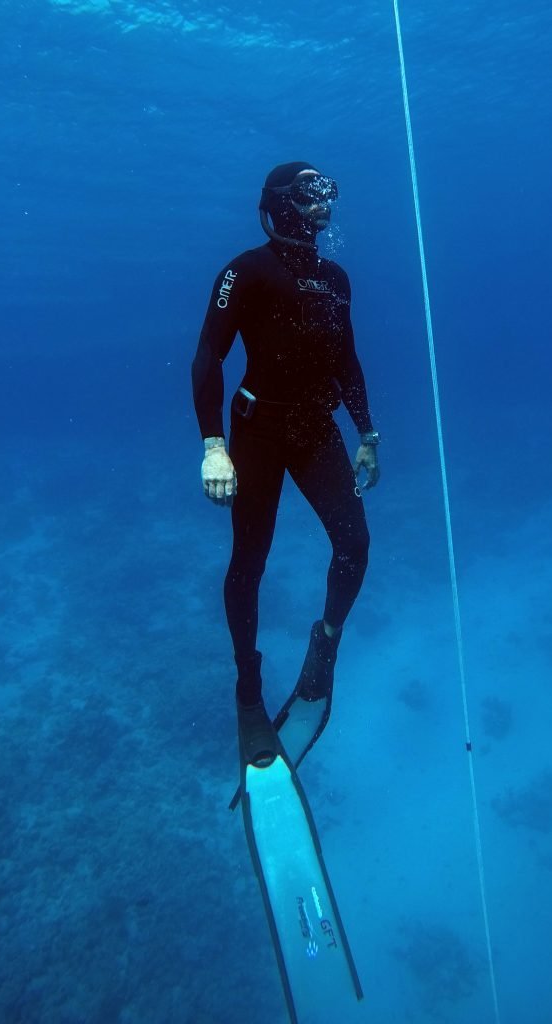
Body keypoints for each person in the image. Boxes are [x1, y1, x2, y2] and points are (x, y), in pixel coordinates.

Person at [191, 161, 380, 767]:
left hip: (315, 429)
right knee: (250, 562)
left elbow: (346, 360)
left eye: (326, 192)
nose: (323, 204)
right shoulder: (244, 272)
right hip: (258, 431)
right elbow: (208, 357)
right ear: (280, 203)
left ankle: (324, 647)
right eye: (308, 193)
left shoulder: (336, 278)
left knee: (355, 544)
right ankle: (248, 694)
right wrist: (213, 445)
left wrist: (367, 433)